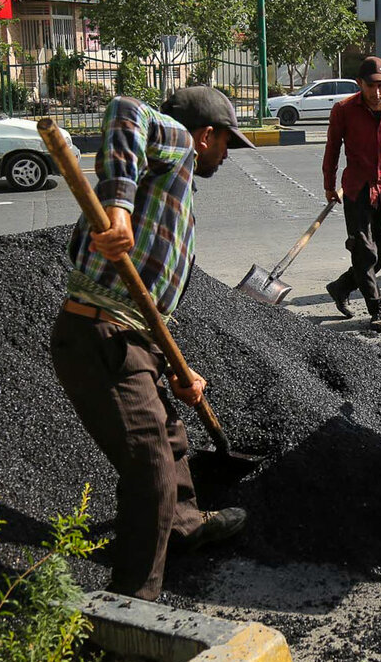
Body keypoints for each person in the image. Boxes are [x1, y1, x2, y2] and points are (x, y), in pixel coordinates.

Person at [49, 85, 256, 602]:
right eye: (227, 142)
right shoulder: (179, 144)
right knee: (151, 471)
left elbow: (151, 305)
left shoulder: (172, 186)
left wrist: (175, 368)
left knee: (173, 438)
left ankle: (185, 524)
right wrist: (116, 207)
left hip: (133, 336)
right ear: (206, 135)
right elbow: (125, 112)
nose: (227, 154)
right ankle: (134, 604)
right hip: (99, 334)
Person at [322, 56, 381, 332]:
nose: (378, 91)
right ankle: (377, 310)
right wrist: (329, 184)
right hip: (357, 189)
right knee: (364, 252)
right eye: (372, 85)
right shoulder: (344, 110)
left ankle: (341, 286)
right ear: (360, 84)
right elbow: (333, 147)